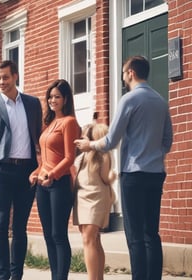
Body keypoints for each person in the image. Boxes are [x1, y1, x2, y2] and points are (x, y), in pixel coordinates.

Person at [74, 55, 173, 280]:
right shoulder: (161, 101)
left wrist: (89, 145)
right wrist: (155, 155)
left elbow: (110, 141)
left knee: (135, 235)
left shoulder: (128, 100)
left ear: (131, 73)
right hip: (156, 173)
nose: (123, 76)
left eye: (123, 72)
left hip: (133, 174)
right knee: (151, 233)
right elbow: (168, 140)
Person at [0, 60, 42, 280]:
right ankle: (2, 276)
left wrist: (40, 166)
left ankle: (17, 275)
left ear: (15, 76)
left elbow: (39, 139)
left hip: (27, 172)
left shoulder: (33, 104)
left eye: (5, 77)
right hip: (2, 172)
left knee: (20, 227)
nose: (1, 82)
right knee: (0, 225)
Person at [28, 79, 80, 280]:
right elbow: (46, 160)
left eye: (57, 96)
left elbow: (69, 157)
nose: (52, 100)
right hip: (42, 185)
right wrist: (37, 172)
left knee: (59, 235)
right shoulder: (48, 124)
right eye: (50, 96)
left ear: (65, 99)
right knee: (48, 235)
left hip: (59, 184)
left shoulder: (69, 122)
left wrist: (53, 174)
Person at [73, 121, 116, 280]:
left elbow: (105, 178)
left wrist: (112, 177)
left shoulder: (103, 154)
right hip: (82, 197)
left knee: (89, 238)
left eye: (85, 137)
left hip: (96, 197)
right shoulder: (82, 155)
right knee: (94, 239)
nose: (81, 140)